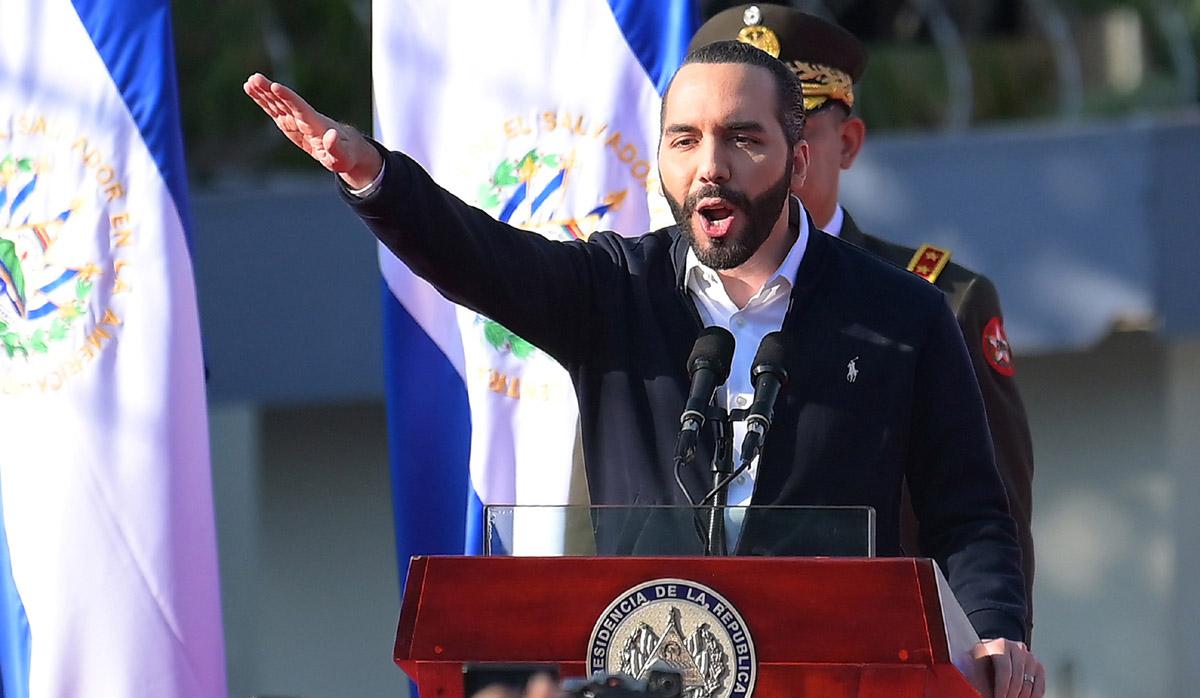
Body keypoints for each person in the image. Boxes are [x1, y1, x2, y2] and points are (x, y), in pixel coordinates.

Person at [245, 37, 1044, 698]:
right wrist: (372, 177)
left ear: (798, 161)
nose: (710, 166)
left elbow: (971, 513)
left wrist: (998, 629)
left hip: (834, 679)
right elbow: (480, 257)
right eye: (685, 139)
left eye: (743, 138)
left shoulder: (903, 314)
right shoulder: (614, 288)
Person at [690, 4, 1037, 643]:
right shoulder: (674, 287)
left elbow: (990, 522)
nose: (749, 161)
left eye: (784, 132)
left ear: (843, 144)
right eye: (732, 134)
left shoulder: (936, 302)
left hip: (875, 654)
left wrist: (994, 652)